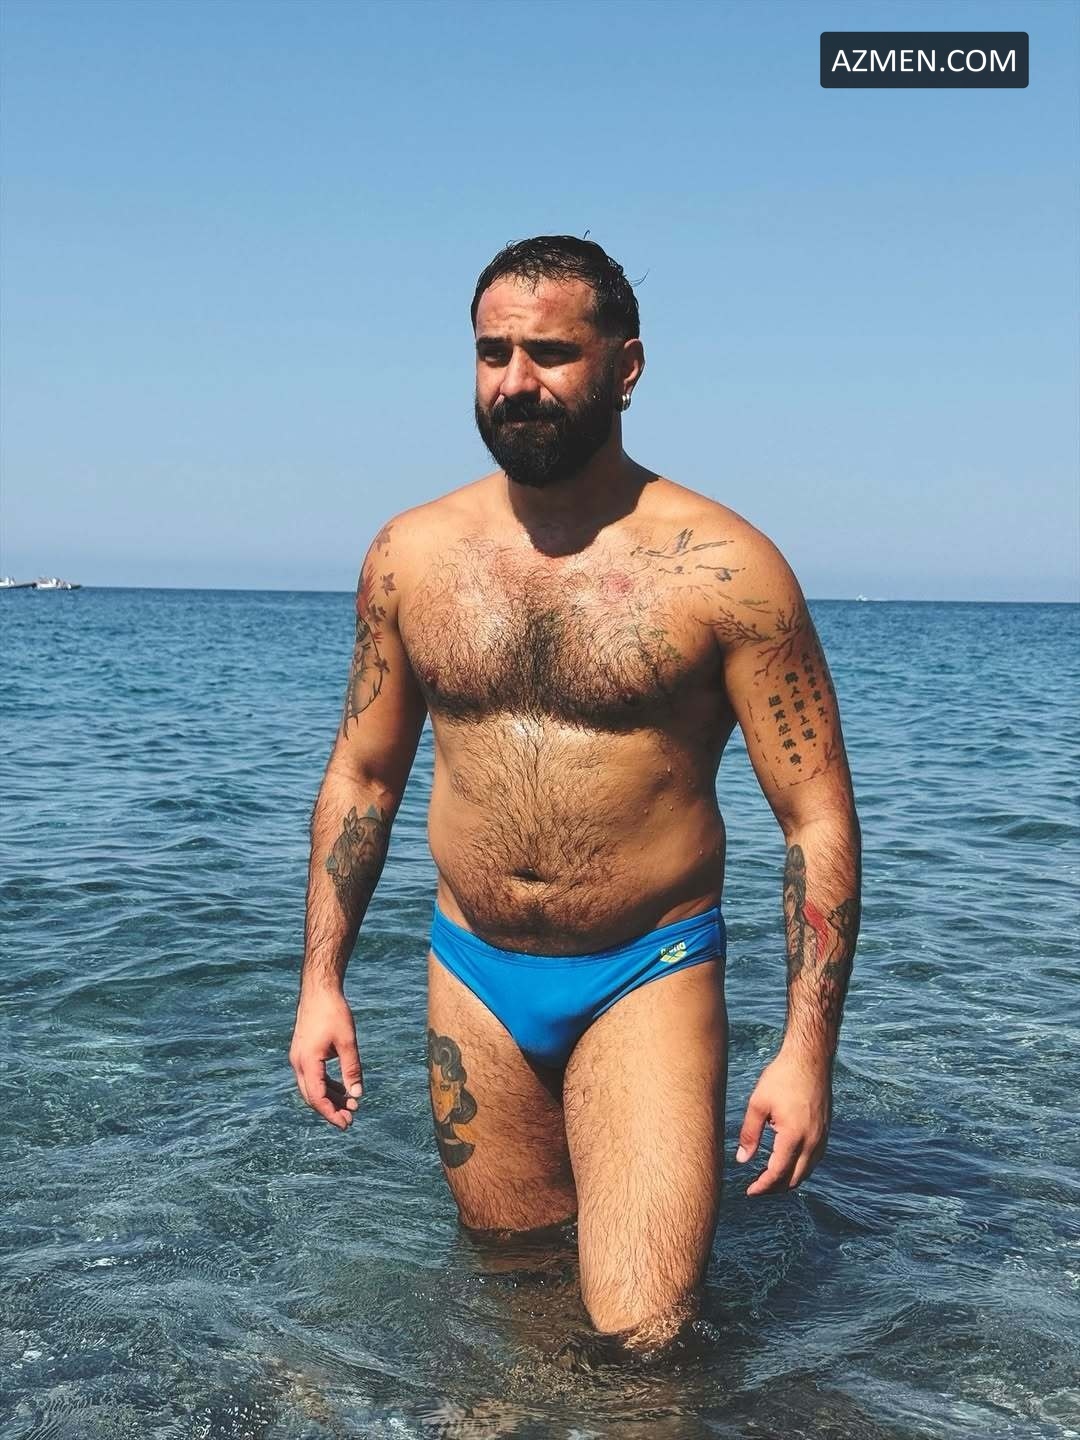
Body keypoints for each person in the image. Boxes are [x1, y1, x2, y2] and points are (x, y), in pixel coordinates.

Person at [289, 235, 862, 1359]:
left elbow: (817, 817)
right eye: (492, 353)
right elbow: (364, 773)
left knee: (645, 1343)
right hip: (471, 973)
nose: (516, 381)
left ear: (626, 367)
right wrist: (321, 983)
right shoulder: (411, 556)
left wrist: (807, 1053)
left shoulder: (727, 568)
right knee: (516, 1304)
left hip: (646, 973)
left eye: (551, 353)